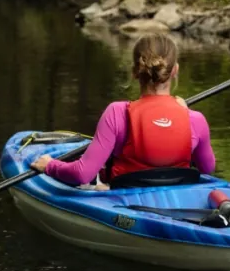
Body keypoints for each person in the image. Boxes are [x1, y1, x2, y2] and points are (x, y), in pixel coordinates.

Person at [30, 33, 215, 188]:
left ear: (135, 71)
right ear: (175, 70)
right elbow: (206, 168)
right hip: (178, 203)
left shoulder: (117, 113)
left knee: (99, 183)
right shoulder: (195, 120)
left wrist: (49, 165)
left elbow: (82, 174)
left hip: (126, 204)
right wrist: (182, 115)